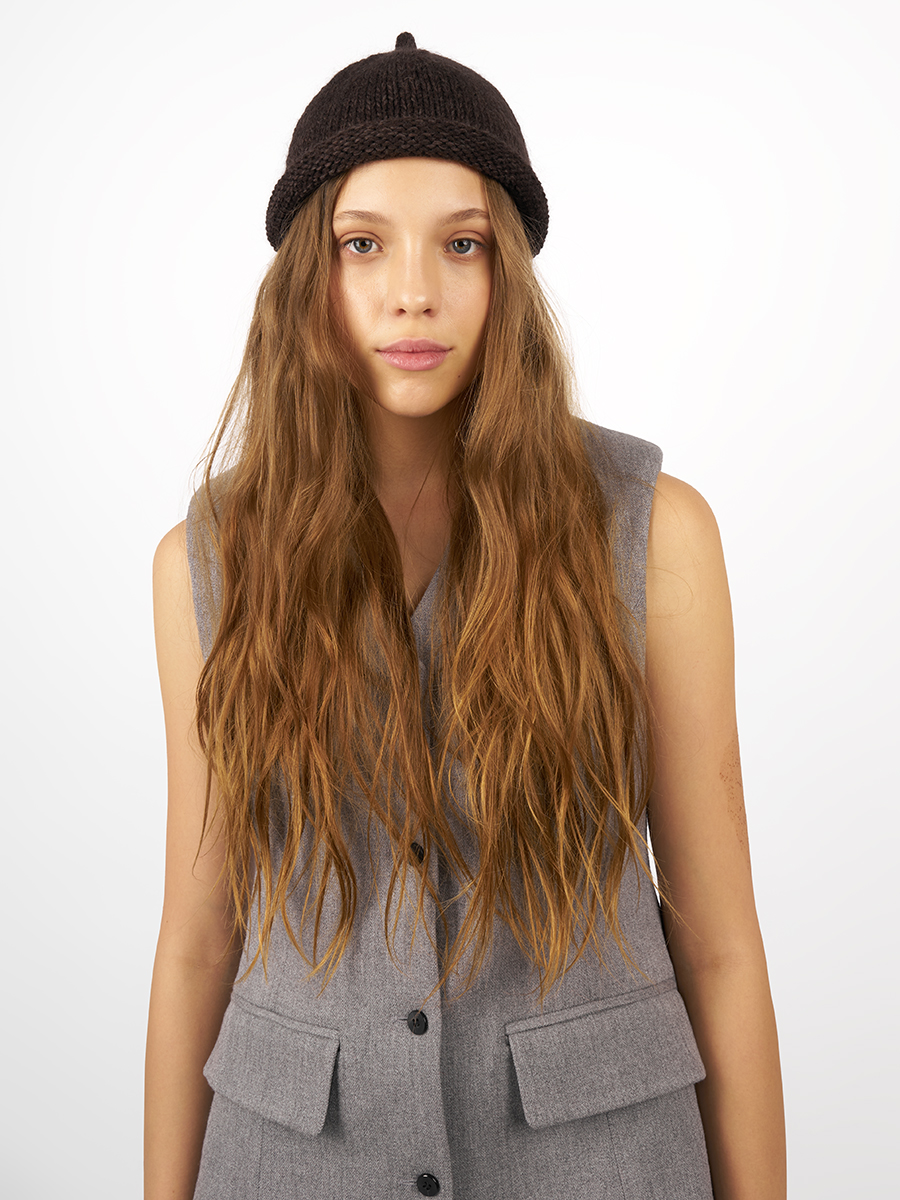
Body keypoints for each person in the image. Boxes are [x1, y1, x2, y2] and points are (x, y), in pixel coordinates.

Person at [144, 32, 786, 1200]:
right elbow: (199, 937)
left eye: (462, 243)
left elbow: (720, 940)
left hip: (602, 1164)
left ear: (509, 274)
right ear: (307, 274)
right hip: (292, 1166)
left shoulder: (653, 532)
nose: (414, 291)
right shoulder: (209, 560)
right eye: (362, 244)